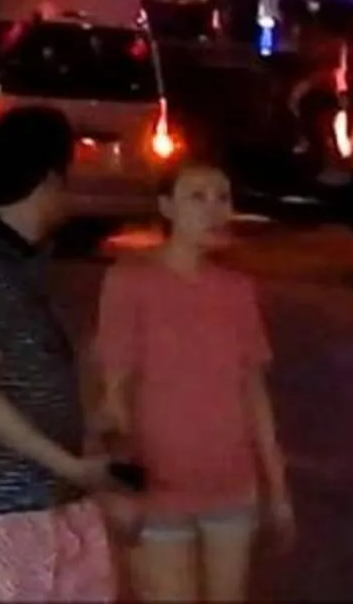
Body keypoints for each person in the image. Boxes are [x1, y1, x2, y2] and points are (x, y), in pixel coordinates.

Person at [0, 106, 131, 602]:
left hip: (51, 503)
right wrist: (69, 464)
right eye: (69, 174)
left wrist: (90, 427)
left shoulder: (23, 261)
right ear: (48, 181)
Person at [94, 162, 292, 604]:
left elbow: (253, 393)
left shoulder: (237, 289)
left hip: (231, 484)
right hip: (159, 488)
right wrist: (121, 487)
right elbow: (114, 394)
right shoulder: (130, 282)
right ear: (166, 207)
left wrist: (277, 488)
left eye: (222, 197)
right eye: (197, 197)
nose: (214, 210)